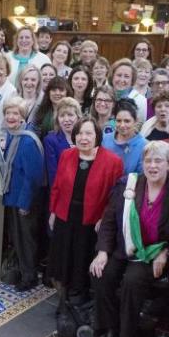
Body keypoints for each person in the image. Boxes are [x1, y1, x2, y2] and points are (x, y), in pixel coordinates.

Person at [90, 141, 169, 337]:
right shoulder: (129, 183)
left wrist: (167, 252)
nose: (153, 166)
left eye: (158, 161)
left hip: (154, 254)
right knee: (101, 273)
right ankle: (110, 329)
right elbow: (109, 219)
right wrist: (103, 252)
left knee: (132, 281)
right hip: (124, 247)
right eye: (148, 161)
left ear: (168, 164)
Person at [48, 118, 123, 306]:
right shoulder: (67, 154)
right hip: (65, 214)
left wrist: (104, 218)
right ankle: (63, 291)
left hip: (91, 219)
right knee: (63, 254)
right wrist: (53, 211)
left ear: (97, 135)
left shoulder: (113, 162)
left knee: (81, 256)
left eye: (88, 133)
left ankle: (78, 293)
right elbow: (57, 185)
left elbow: (115, 196)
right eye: (80, 133)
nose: (84, 138)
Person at [0, 96, 46, 292]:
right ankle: (21, 270)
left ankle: (30, 276)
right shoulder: (12, 135)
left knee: (26, 239)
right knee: (17, 238)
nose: (11, 117)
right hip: (13, 196)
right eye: (8, 113)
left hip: (24, 201)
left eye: (15, 113)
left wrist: (25, 204)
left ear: (22, 117)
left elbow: (33, 177)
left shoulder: (27, 140)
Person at [102, 99, 148, 177]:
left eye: (127, 121)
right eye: (119, 121)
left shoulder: (144, 145)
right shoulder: (105, 139)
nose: (122, 125)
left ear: (135, 121)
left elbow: (141, 176)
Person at [43, 98, 81, 187]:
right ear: (57, 119)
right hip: (62, 191)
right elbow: (53, 175)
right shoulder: (50, 140)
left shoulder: (84, 138)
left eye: (70, 115)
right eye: (62, 116)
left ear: (78, 117)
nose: (66, 119)